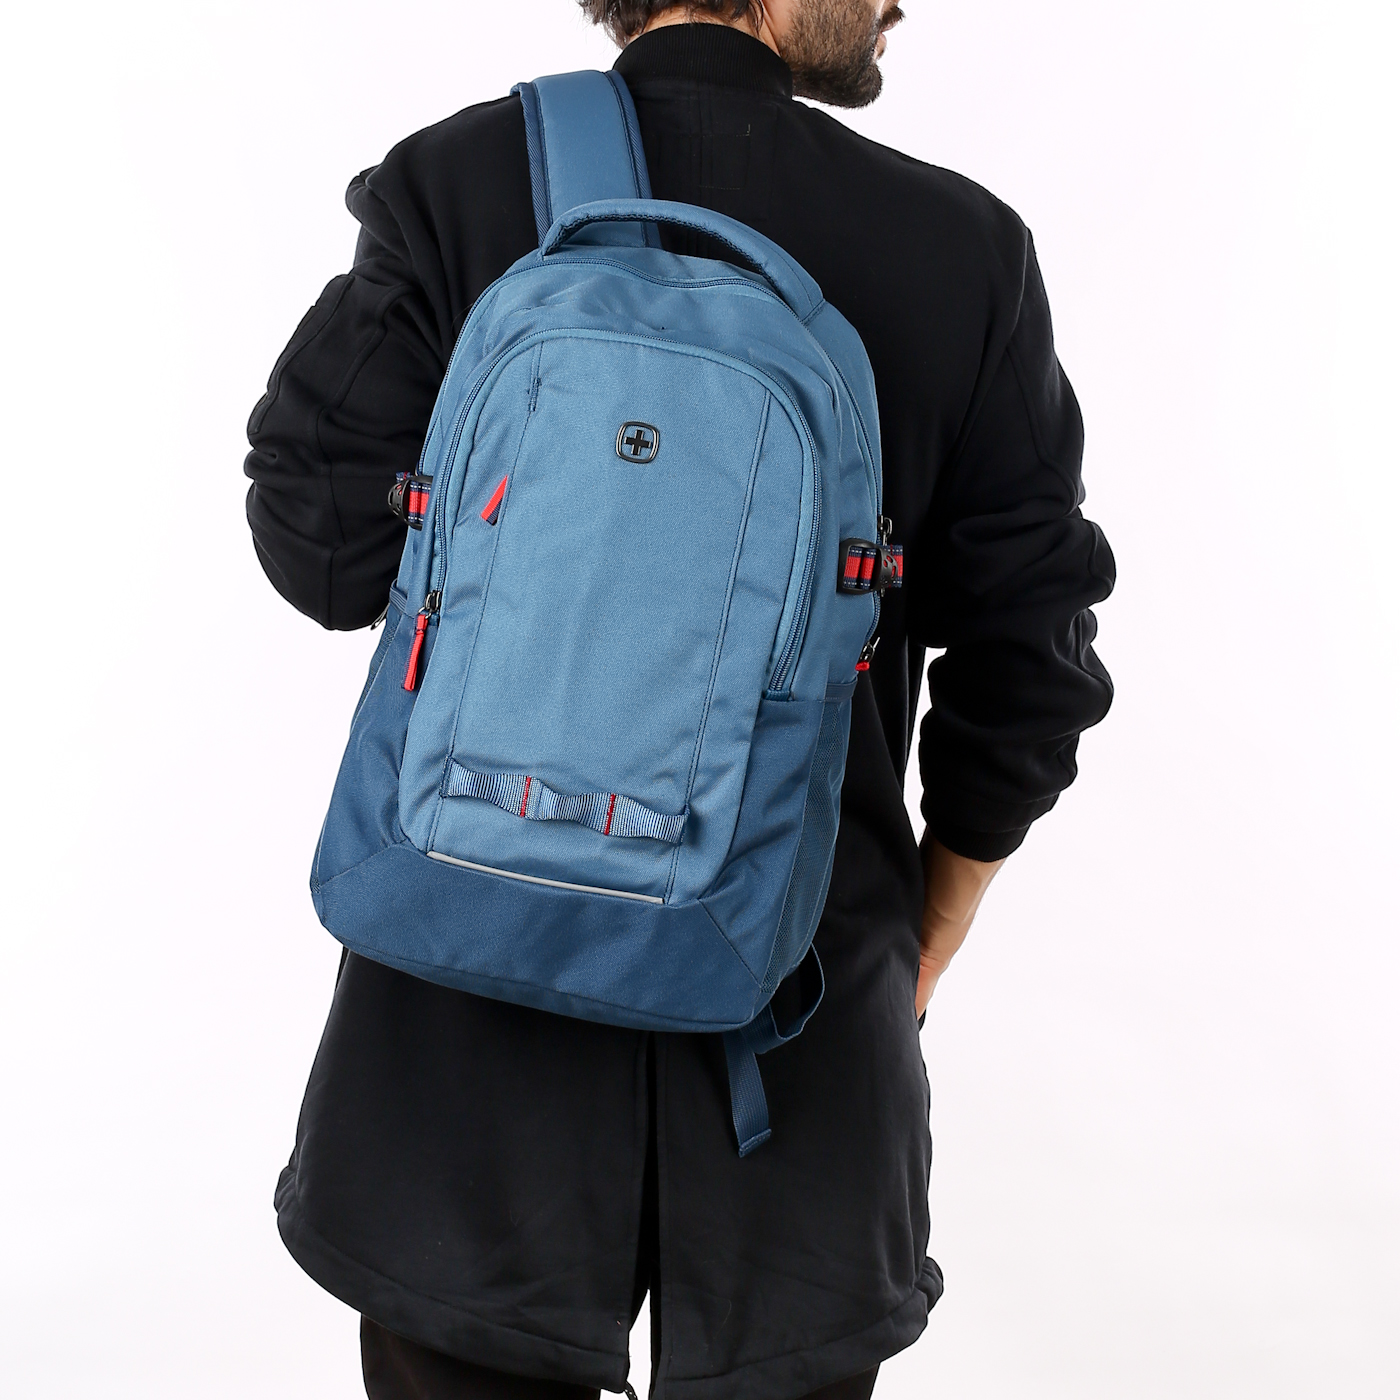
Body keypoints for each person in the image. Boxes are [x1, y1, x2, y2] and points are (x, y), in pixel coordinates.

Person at [244, 2, 1115, 1397]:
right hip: (799, 1021)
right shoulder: (960, 247)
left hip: (458, 1033)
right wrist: (929, 929)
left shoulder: (459, 182)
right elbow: (1029, 664)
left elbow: (324, 553)